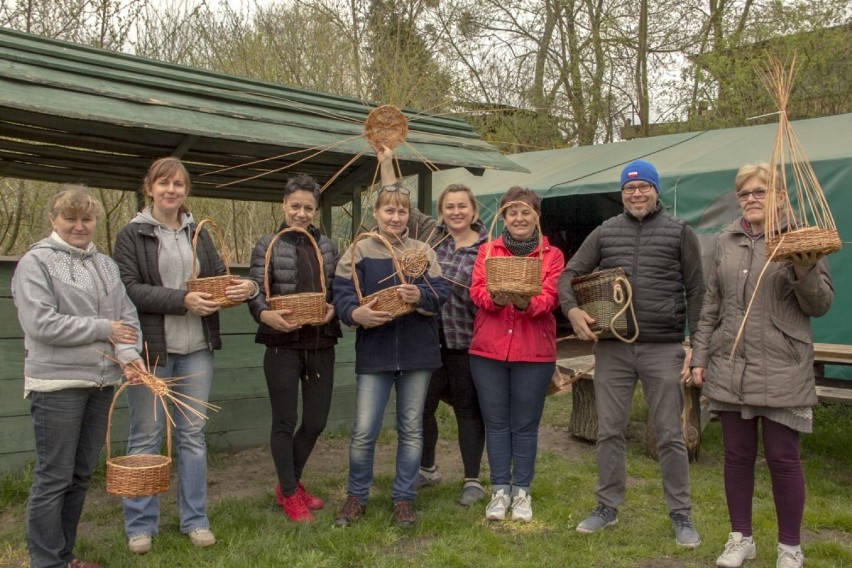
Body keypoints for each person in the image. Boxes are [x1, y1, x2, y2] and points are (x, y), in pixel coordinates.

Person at [690, 163, 833, 568]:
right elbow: (711, 304)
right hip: (731, 363)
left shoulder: (801, 238)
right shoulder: (726, 241)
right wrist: (699, 356)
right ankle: (741, 539)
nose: (750, 199)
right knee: (736, 456)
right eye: (744, 193)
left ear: (780, 197)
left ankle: (790, 547)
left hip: (782, 363)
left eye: (759, 192)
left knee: (783, 458)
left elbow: (820, 304)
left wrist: (804, 268)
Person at [114, 157, 257, 554]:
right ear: (150, 188)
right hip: (152, 352)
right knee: (146, 435)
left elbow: (215, 279)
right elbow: (130, 288)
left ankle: (195, 519)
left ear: (186, 191)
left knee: (192, 435)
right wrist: (183, 301)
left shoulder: (198, 232)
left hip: (197, 350)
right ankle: (141, 524)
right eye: (164, 183)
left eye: (178, 184)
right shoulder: (132, 234)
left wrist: (241, 288)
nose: (172, 190)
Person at [557, 159, 704, 547]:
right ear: (622, 193)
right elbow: (567, 275)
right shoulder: (606, 232)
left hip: (663, 347)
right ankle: (606, 507)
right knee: (610, 431)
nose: (636, 194)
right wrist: (572, 310)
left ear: (656, 190)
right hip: (614, 349)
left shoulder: (679, 232)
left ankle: (681, 515)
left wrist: (697, 348)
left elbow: (698, 292)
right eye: (629, 189)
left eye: (643, 188)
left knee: (671, 434)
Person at [12, 185, 143, 568]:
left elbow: (126, 316)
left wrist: (130, 356)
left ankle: (64, 556)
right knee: (54, 477)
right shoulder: (35, 263)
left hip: (102, 383)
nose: (79, 226)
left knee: (80, 474)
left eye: (87, 219)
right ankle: (45, 561)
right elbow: (41, 324)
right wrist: (104, 328)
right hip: (58, 385)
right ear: (54, 220)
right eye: (70, 218)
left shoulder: (105, 265)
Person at [332, 180, 450, 528]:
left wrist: (421, 297)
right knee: (365, 429)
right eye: (389, 210)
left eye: (401, 211)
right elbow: (341, 293)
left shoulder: (423, 251)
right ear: (376, 213)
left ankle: (403, 499)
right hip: (375, 351)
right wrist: (356, 314)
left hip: (417, 353)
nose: (395, 216)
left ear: (408, 216)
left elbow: (441, 291)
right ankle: (356, 496)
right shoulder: (359, 250)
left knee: (411, 429)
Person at [377, 146, 487, 507]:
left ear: (473, 211)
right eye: (449, 206)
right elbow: (399, 199)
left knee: (467, 409)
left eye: (462, 206)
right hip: (425, 340)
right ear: (442, 212)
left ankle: (472, 479)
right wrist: (386, 161)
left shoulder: (488, 249)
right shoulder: (430, 234)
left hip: (465, 342)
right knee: (421, 409)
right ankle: (427, 468)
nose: (456, 212)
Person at [247, 174, 341, 523]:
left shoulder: (328, 246)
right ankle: (289, 492)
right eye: (295, 206)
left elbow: (335, 289)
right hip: (281, 344)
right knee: (285, 421)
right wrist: (265, 315)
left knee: (315, 421)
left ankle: (290, 482)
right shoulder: (267, 244)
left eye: (308, 208)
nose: (301, 213)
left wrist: (333, 308)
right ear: (284, 205)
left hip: (320, 340)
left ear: (315, 210)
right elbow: (255, 290)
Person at [467, 187, 565, 523]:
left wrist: (527, 302)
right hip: (488, 351)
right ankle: (499, 490)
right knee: (496, 424)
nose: (519, 218)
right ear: (504, 217)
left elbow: (550, 298)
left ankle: (522, 490)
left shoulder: (551, 255)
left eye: (526, 212)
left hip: (533, 353)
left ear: (536, 216)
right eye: (512, 212)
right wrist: (496, 299)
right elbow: (477, 290)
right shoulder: (487, 251)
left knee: (524, 425)